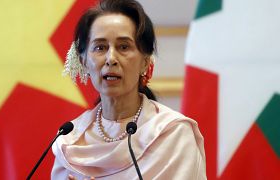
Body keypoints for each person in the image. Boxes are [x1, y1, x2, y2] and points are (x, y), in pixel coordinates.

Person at [52, 0, 206, 179]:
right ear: (84, 61)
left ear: (145, 62)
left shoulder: (173, 134)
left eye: (123, 47)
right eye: (100, 47)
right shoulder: (70, 139)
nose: (111, 58)